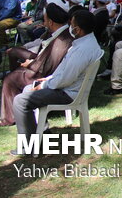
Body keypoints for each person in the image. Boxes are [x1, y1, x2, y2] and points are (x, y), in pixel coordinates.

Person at [11, 9, 102, 149]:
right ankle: (42, 132)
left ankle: (28, 145)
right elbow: (63, 71)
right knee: (28, 88)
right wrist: (47, 79)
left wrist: (44, 85)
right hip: (64, 87)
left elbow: (66, 79)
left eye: (71, 25)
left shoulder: (83, 49)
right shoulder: (84, 42)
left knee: (20, 100)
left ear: (78, 29)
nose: (69, 27)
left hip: (67, 93)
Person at [0, 4, 73, 126]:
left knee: (9, 79)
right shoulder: (61, 33)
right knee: (14, 54)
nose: (44, 22)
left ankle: (10, 117)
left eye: (44, 19)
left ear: (51, 21)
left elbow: (48, 65)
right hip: (42, 67)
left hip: (45, 76)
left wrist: (30, 64)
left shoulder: (61, 40)